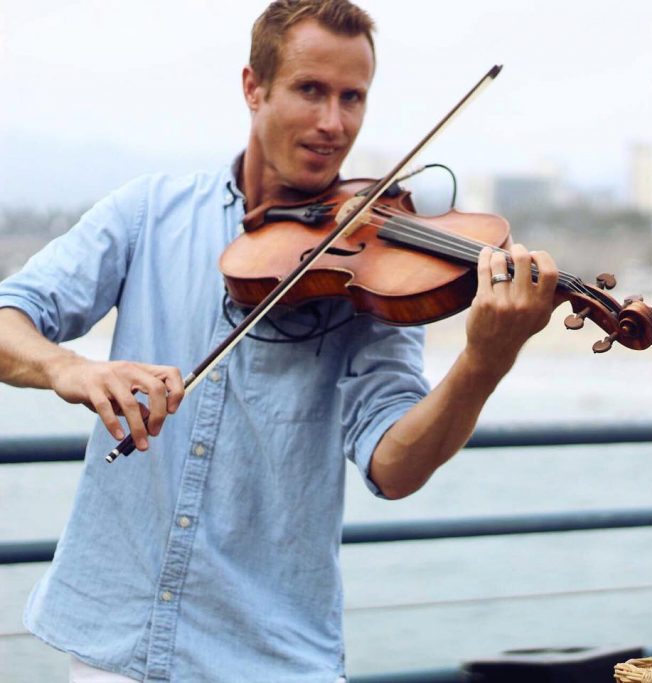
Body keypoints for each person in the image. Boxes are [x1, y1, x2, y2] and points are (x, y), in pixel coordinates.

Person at [0, 1, 558, 681]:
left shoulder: (374, 267)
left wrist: (484, 360)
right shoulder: (150, 212)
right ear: (253, 88)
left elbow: (396, 467)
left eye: (353, 97)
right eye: (310, 90)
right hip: (115, 646)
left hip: (268, 661)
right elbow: (9, 313)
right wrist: (68, 367)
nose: (335, 123)